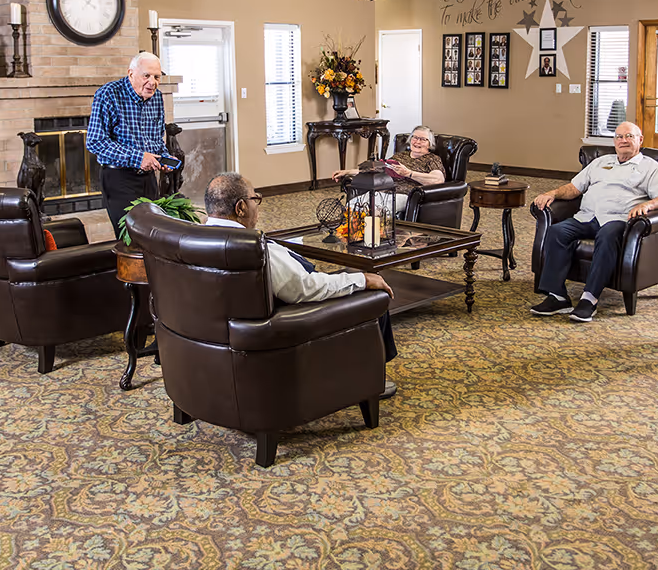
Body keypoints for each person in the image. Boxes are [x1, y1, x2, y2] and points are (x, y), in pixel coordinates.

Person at [203, 172, 400, 399]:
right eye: (255, 200)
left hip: (228, 333)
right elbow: (306, 289)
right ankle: (372, 379)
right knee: (372, 296)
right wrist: (362, 279)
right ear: (240, 208)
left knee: (345, 278)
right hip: (291, 316)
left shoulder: (194, 239)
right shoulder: (254, 251)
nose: (257, 206)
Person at [530, 122, 658, 322]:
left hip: (619, 220)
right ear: (614, 141)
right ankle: (557, 296)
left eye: (629, 136)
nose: (623, 140)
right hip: (587, 217)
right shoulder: (601, 162)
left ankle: (590, 298)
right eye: (619, 137)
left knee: (607, 234)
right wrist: (552, 193)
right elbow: (574, 188)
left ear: (640, 140)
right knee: (557, 232)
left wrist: (648, 206)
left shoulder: (650, 167)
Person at [87, 52, 177, 236]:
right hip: (118, 178)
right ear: (131, 74)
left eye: (157, 77)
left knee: (153, 234)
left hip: (148, 178)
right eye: (147, 76)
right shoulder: (108, 94)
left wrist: (164, 157)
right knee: (130, 237)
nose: (152, 82)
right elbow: (95, 142)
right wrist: (138, 157)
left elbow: (155, 140)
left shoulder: (157, 97)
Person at [331, 125, 446, 214]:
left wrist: (409, 174)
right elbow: (377, 169)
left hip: (406, 194)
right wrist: (346, 172)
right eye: (415, 137)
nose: (417, 142)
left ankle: (374, 241)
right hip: (383, 191)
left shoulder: (432, 159)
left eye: (422, 139)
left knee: (376, 210)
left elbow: (438, 180)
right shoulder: (400, 156)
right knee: (352, 206)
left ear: (429, 144)